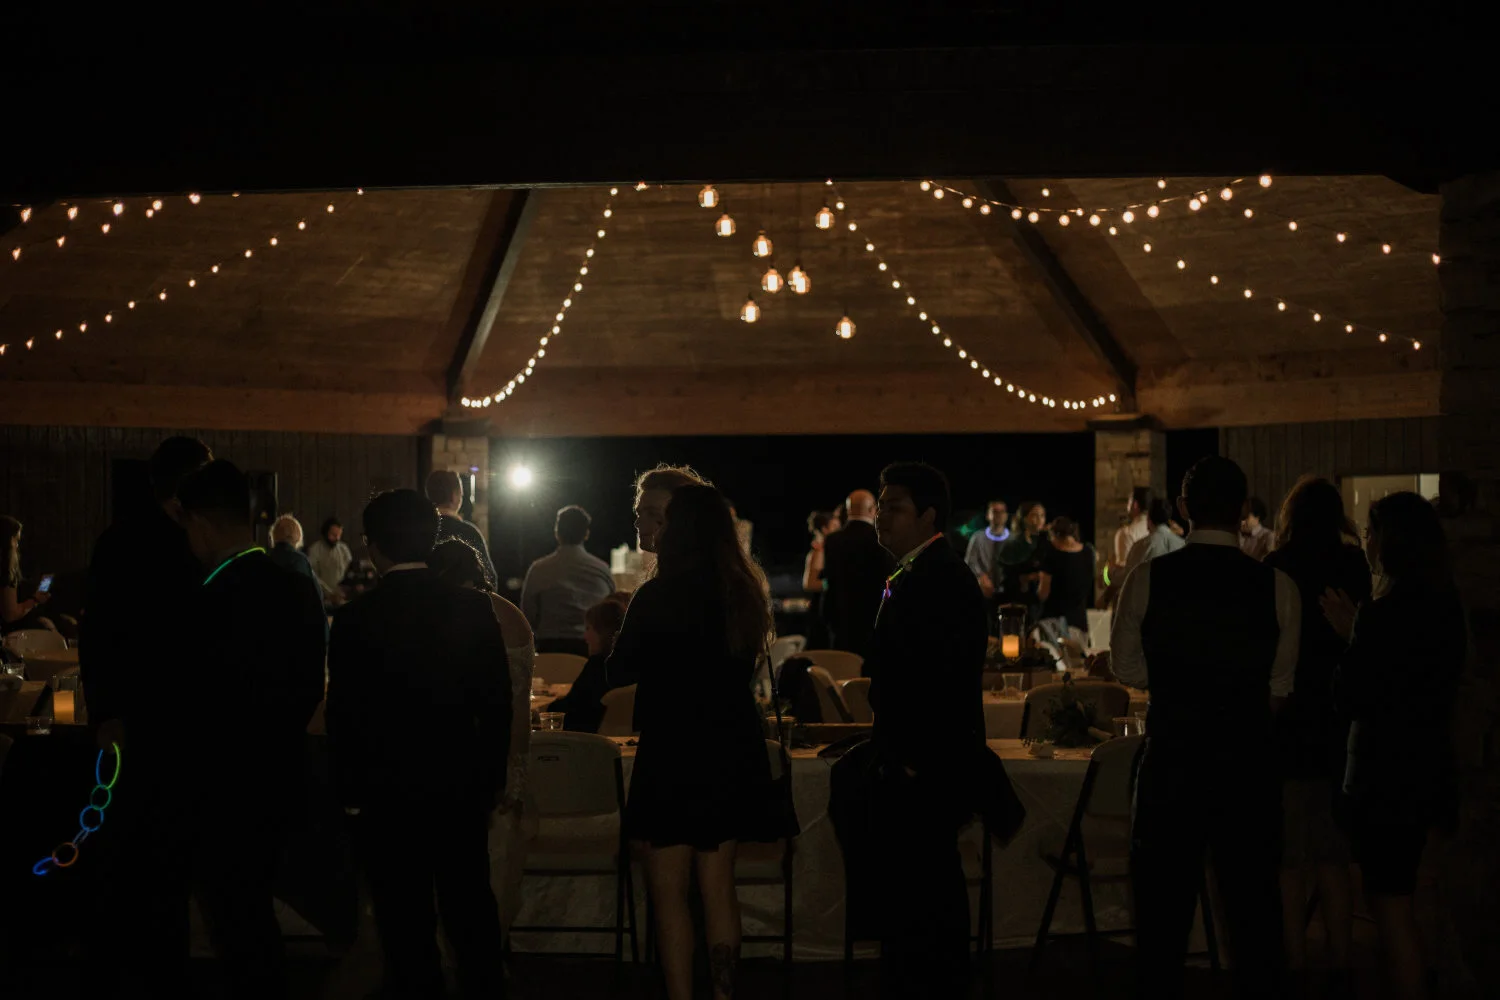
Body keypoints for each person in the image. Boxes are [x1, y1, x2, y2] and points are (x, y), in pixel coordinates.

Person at [1110, 456, 1299, 998]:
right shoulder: (1277, 586)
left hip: (1172, 761)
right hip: (1248, 765)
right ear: (1242, 510)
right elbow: (1279, 687)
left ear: (1184, 508)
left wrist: (1178, 681)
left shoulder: (1147, 578)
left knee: (1161, 922)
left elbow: (1126, 669)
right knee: (1254, 917)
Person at [327, 489, 511, 998]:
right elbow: (497, 703)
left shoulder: (355, 619)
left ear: (372, 546)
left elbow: (344, 714)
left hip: (387, 790)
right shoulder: (473, 608)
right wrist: (492, 778)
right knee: (469, 907)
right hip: (459, 783)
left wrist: (349, 790)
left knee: (404, 918)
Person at [609, 482, 778, 1000]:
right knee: (719, 886)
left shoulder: (658, 595)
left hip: (673, 747)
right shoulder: (742, 591)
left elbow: (620, 669)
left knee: (669, 894)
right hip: (731, 745)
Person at [830, 462, 989, 998]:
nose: (880, 517)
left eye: (894, 507)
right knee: (917, 892)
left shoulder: (940, 578)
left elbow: (940, 677)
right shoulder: (916, 572)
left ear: (928, 515)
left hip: (926, 761)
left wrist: (913, 761)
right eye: (880, 506)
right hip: (914, 756)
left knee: (927, 894)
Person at [176, 461, 327, 999]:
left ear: (199, 523)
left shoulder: (206, 596)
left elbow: (188, 698)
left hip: (218, 782)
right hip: (281, 770)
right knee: (255, 911)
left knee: (233, 916)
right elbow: (310, 684)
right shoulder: (295, 585)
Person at [79, 435, 211, 994]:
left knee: (126, 848)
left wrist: (105, 711)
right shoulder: (196, 543)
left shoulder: (117, 538)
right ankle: (164, 970)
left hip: (129, 716)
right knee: (169, 858)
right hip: (177, 722)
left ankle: (120, 969)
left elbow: (96, 635)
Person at [1322, 492, 1464, 1000]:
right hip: (1430, 772)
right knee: (1415, 901)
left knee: (1390, 908)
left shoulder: (1382, 614)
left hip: (1384, 781)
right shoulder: (1447, 607)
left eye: (1370, 532)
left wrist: (1353, 635)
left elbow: (1352, 695)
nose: (1366, 542)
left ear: (1389, 541)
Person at [1263, 476, 1370, 985]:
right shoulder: (1354, 564)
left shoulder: (1275, 566)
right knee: (1333, 855)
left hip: (1286, 722)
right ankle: (1341, 959)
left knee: (1288, 859)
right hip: (1338, 723)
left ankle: (1294, 959)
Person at [429, 537, 535, 938]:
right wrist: (517, 768)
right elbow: (519, 705)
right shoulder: (512, 616)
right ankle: (490, 948)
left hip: (455, 759)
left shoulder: (446, 617)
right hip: (506, 752)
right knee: (497, 867)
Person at [519, 505, 616, 656]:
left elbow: (528, 615)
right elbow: (611, 609)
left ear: (557, 532)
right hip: (591, 651)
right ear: (586, 534)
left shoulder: (538, 569)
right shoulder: (602, 570)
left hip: (550, 650)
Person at [820, 488, 895, 662]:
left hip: (841, 621)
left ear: (848, 510)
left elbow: (830, 582)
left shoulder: (833, 541)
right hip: (873, 623)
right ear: (872, 509)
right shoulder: (880, 539)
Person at [547, 596, 629, 732]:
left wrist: (543, 711)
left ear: (602, 632)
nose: (585, 636)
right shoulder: (629, 666)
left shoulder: (597, 666)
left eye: (588, 628)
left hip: (587, 739)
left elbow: (569, 708)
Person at [426, 469, 498, 590]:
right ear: (455, 496)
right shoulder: (469, 532)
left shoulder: (422, 531)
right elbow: (490, 579)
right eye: (461, 493)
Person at [1037, 516, 1096, 635]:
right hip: (1079, 622)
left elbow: (1043, 593)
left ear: (1054, 535)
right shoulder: (1088, 552)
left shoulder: (1051, 554)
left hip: (1054, 623)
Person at [999, 500, 1051, 625]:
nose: (1040, 520)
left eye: (1042, 515)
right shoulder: (1014, 543)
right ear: (1025, 518)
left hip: (1040, 602)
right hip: (1017, 599)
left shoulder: (1045, 542)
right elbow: (1007, 571)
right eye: (1035, 515)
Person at [965, 499, 1011, 631]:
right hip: (983, 592)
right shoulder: (977, 538)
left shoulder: (1013, 539)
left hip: (1007, 592)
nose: (998, 515)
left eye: (1002, 512)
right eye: (995, 511)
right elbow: (969, 563)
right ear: (988, 515)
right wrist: (980, 577)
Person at [1, 515, 49, 629]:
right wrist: (35, 600)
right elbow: (11, 614)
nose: (17, 546)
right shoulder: (4, 570)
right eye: (16, 540)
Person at [267, 514, 325, 605]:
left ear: (273, 536)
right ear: (297, 536)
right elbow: (316, 596)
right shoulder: (299, 560)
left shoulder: (265, 559)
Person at [1123, 498, 1187, 577]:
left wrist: (1112, 573)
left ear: (1148, 519)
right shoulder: (1183, 544)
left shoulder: (1140, 546)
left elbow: (1128, 577)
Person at [306, 516, 353, 603]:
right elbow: (313, 575)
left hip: (342, 597)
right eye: (333, 535)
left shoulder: (344, 549)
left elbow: (349, 570)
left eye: (339, 535)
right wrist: (329, 593)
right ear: (325, 533)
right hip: (321, 598)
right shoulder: (315, 550)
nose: (337, 538)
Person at [1111, 486, 1153, 581]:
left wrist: (1106, 575)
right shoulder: (1159, 531)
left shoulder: (1126, 533)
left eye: (1129, 501)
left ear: (1135, 505)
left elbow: (1122, 575)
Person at [1241, 495, 1274, 561]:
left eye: (1245, 517)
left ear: (1257, 517)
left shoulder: (1268, 536)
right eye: (1241, 518)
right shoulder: (1240, 536)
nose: (1242, 522)